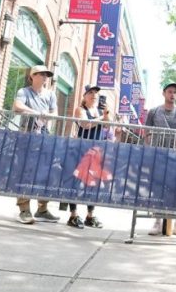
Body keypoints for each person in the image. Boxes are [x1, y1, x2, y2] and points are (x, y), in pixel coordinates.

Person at [12, 65, 61, 225]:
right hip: (27, 135)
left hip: (45, 136)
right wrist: (36, 113)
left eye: (47, 75)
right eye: (41, 74)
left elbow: (55, 113)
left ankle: (42, 209)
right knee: (26, 172)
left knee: (46, 172)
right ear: (33, 76)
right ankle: (24, 209)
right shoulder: (24, 92)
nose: (45, 77)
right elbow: (17, 106)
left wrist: (46, 116)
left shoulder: (51, 94)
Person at [144, 81, 176, 237]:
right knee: (157, 189)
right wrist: (150, 150)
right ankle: (157, 222)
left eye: (175, 92)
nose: (173, 94)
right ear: (164, 93)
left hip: (174, 157)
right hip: (157, 155)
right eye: (170, 91)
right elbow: (147, 132)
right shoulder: (153, 112)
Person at [66, 85, 110, 229]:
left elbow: (108, 125)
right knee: (76, 181)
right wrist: (102, 117)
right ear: (84, 96)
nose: (94, 95)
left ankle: (90, 216)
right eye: (90, 93)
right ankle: (73, 214)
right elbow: (85, 124)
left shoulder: (99, 111)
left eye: (96, 93)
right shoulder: (80, 110)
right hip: (81, 150)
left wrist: (107, 114)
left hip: (95, 151)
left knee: (93, 184)